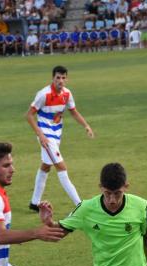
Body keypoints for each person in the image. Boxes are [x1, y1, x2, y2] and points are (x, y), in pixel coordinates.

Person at [27, 66, 94, 211]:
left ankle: (34, 202)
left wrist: (86, 126)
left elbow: (74, 112)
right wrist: (41, 135)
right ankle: (80, 205)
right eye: (58, 78)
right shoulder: (44, 94)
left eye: (63, 78)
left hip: (56, 135)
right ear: (53, 78)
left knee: (46, 166)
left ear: (67, 79)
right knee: (62, 168)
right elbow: (29, 115)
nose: (61, 81)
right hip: (46, 137)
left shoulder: (67, 94)